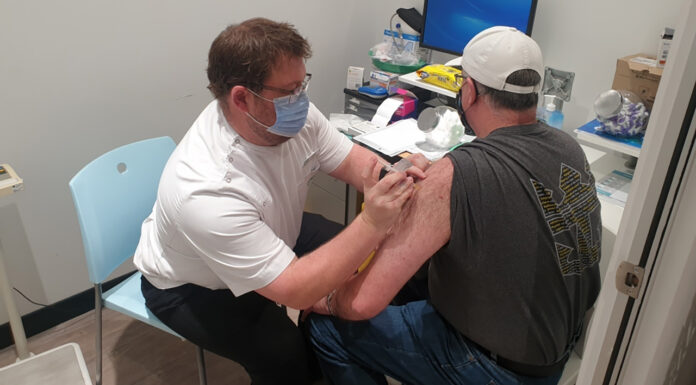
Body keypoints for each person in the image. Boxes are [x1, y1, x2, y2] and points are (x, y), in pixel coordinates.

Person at [133, 18, 425, 385]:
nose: (301, 100)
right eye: (289, 91)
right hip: (192, 285)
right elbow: (295, 290)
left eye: (302, 84)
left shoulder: (288, 116)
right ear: (241, 98)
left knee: (379, 260)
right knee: (283, 353)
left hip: (275, 228)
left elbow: (354, 162)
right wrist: (371, 224)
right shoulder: (206, 190)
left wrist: (397, 173)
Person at [307, 26, 602, 385]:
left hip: (494, 367)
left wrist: (327, 300)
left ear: (469, 92)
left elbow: (364, 303)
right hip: (554, 351)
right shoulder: (568, 148)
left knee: (327, 326)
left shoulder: (455, 173)